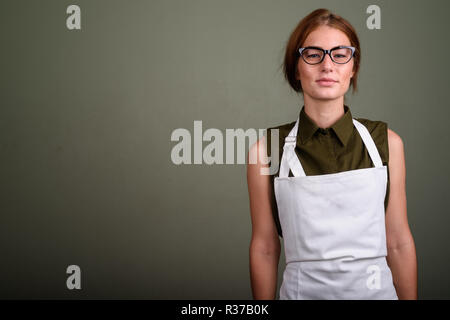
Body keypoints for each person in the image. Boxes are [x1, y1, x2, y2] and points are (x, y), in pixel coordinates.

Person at [247, 8, 417, 300]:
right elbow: (265, 247)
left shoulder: (387, 143)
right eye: (313, 54)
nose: (327, 65)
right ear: (296, 68)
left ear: (353, 68)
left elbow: (398, 242)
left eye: (340, 54)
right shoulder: (266, 151)